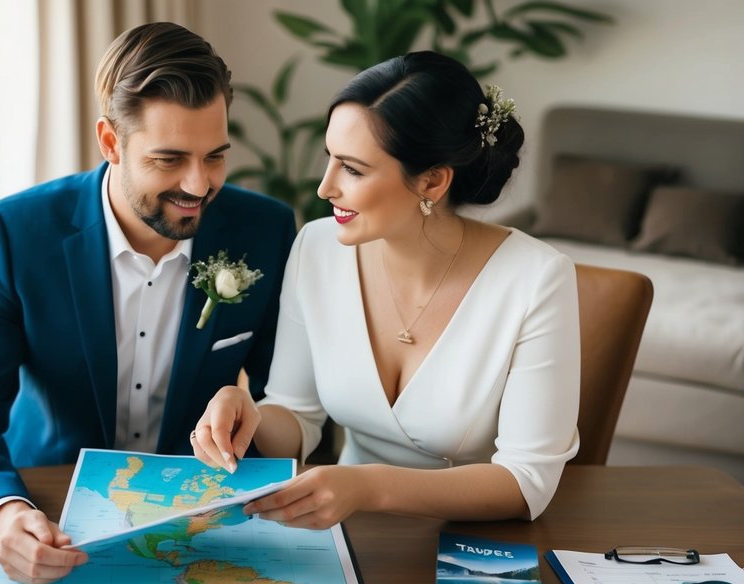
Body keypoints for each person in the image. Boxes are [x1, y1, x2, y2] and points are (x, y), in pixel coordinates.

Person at [0, 22, 297, 584]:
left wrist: (256, 419)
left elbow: (291, 403)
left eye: (215, 156)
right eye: (170, 160)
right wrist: (4, 512)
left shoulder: (265, 231)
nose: (199, 186)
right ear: (110, 142)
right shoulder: (16, 233)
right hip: (49, 503)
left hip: (198, 520)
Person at [190, 51, 579, 528]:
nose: (324, 187)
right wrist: (245, 411)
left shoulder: (537, 279)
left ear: (432, 181)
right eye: (329, 158)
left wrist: (368, 487)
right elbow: (297, 416)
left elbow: (525, 482)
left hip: (470, 541)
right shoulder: (317, 246)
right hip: (347, 529)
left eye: (352, 169)